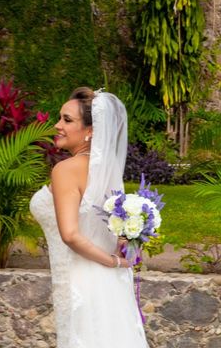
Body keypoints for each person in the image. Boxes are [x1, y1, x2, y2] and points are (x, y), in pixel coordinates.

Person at [30, 87, 148, 347]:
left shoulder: (65, 170)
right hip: (108, 282)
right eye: (60, 118)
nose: (57, 125)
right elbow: (112, 226)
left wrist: (112, 262)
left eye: (67, 120)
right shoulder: (107, 169)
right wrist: (118, 255)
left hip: (80, 280)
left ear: (90, 131)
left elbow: (70, 234)